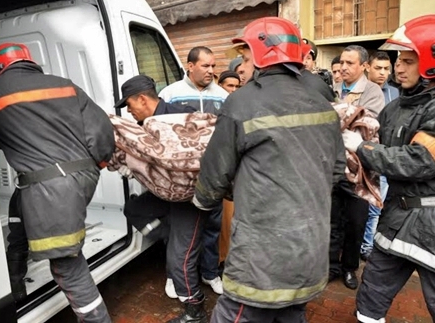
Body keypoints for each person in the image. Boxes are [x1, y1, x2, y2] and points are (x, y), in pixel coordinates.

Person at [192, 17, 345, 323]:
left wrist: (203, 202)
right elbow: (337, 169)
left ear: (263, 56)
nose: (241, 68)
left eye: (246, 59)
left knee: (236, 313)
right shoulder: (322, 102)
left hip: (261, 252)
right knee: (292, 310)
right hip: (309, 246)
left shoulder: (242, 103)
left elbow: (215, 173)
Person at [0, 43, 115, 322]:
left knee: (67, 266)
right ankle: (15, 272)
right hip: (81, 177)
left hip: (50, 189)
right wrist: (96, 164)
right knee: (21, 202)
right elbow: (102, 131)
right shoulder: (65, 85)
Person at [341, 15, 435, 322]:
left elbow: (418, 161)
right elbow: (376, 145)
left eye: (408, 60)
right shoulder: (394, 107)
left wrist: (361, 147)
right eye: (398, 59)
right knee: (370, 300)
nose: (398, 66)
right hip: (395, 218)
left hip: (430, 225)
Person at [116, 74, 209, 323]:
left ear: (143, 99)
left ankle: (195, 310)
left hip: (190, 198)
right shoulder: (143, 127)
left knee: (180, 258)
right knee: (134, 208)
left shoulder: (182, 116)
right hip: (166, 194)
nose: (128, 111)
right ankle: (167, 235)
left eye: (129, 104)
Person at [159, 46, 228, 297]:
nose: (211, 71)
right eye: (205, 66)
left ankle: (210, 273)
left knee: (212, 226)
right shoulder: (170, 94)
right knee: (176, 230)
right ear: (190, 65)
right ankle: (172, 275)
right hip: (179, 178)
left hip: (212, 176)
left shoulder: (223, 96)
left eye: (213, 66)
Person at [328, 45, 386, 290]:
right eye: (342, 62)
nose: (343, 67)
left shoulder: (373, 92)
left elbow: (366, 123)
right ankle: (331, 266)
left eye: (350, 63)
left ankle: (349, 268)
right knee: (332, 221)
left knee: (355, 222)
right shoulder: (332, 88)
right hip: (333, 166)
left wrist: (336, 115)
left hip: (360, 171)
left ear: (363, 66)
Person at [360, 51, 399, 261]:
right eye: (378, 68)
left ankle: (367, 246)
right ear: (367, 67)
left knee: (376, 207)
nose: (383, 73)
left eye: (387, 68)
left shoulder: (395, 93)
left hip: (387, 158)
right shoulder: (361, 91)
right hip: (364, 156)